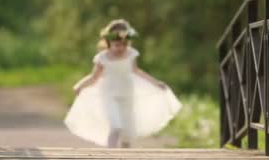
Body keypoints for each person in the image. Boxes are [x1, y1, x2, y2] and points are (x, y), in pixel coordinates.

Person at [64, 19, 182, 148]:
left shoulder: (131, 54)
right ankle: (111, 155)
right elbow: (94, 77)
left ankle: (125, 158)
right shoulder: (102, 58)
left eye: (124, 45)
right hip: (109, 95)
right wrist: (80, 85)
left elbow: (137, 71)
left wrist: (156, 83)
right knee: (115, 126)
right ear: (109, 42)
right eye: (117, 44)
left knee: (127, 131)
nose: (120, 48)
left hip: (127, 95)